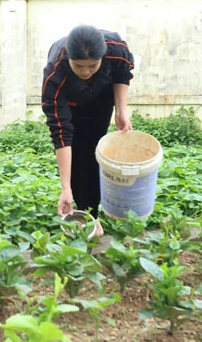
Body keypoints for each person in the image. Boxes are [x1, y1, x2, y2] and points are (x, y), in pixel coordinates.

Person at [41, 24, 135, 238]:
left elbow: (122, 73)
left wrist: (121, 110)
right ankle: (84, 213)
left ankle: (94, 213)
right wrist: (65, 187)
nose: (85, 71)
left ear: (103, 56)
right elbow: (61, 133)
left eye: (92, 66)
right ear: (68, 58)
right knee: (76, 150)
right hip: (71, 101)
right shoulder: (55, 72)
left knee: (93, 151)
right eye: (79, 66)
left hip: (101, 98)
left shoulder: (115, 48)